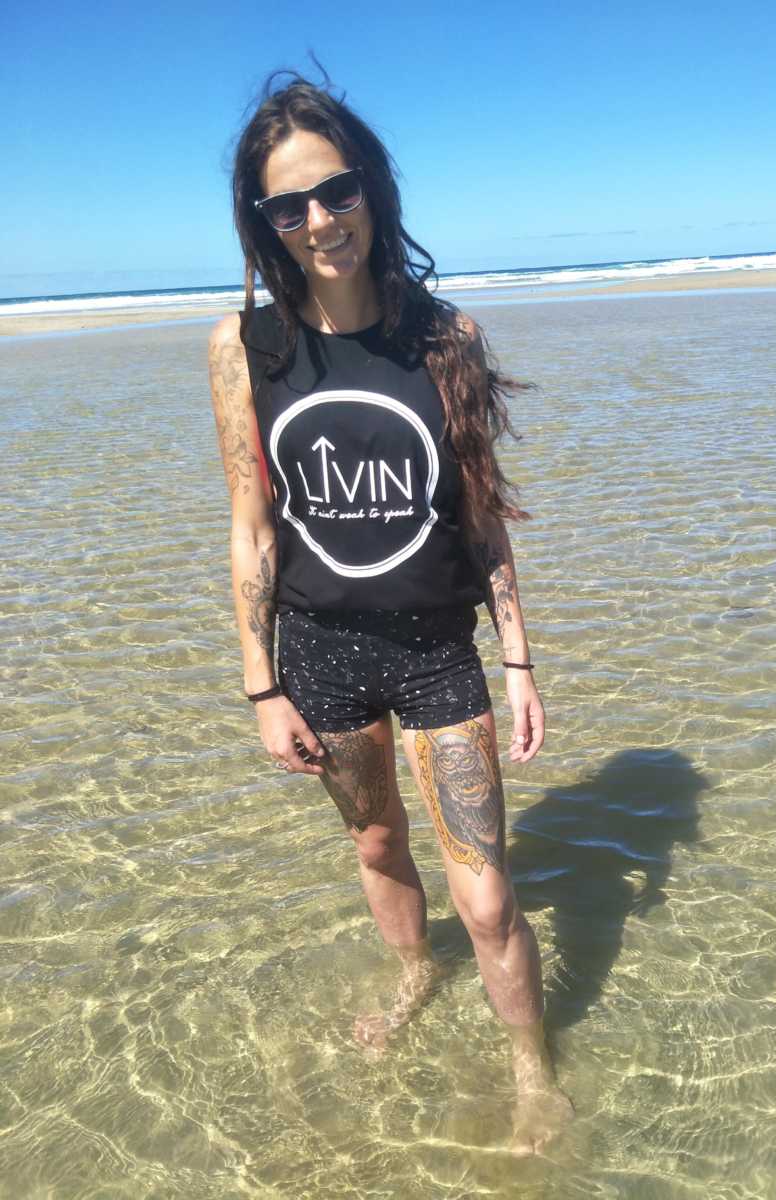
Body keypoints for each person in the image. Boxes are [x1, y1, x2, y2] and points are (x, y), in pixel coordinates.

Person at [208, 71, 572, 1153]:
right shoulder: (244, 349)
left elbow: (486, 514)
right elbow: (251, 530)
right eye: (290, 205)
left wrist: (519, 663)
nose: (320, 221)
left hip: (434, 657)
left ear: (371, 190)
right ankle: (415, 980)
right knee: (376, 846)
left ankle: (532, 1071)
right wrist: (260, 684)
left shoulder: (444, 336)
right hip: (317, 658)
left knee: (492, 900)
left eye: (337, 190)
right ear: (265, 221)